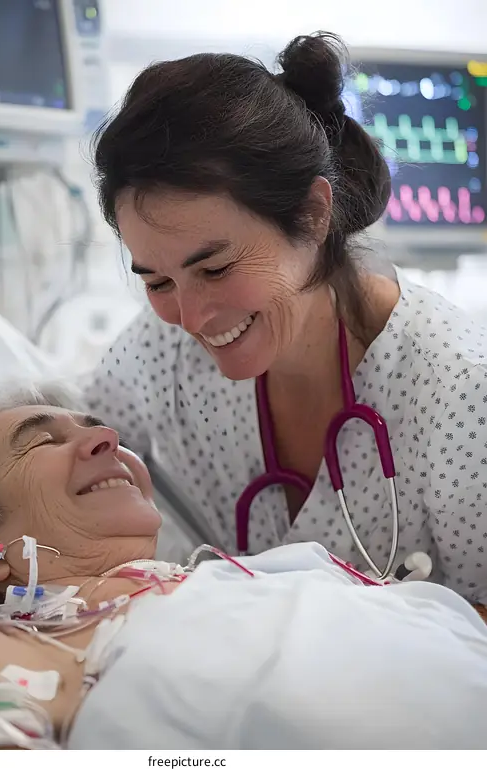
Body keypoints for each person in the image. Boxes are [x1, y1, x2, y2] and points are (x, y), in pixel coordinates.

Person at [82, 31, 487, 605]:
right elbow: (73, 454)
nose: (191, 317)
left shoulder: (461, 393)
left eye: (217, 269)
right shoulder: (159, 351)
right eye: (157, 281)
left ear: (313, 214)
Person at [0, 386, 487, 750]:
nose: (107, 439)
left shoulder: (242, 575)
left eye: (96, 429)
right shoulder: (9, 647)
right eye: (41, 442)